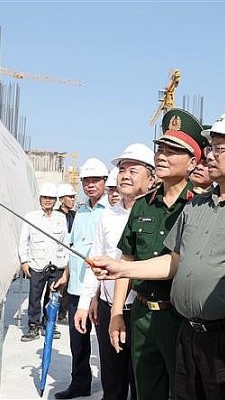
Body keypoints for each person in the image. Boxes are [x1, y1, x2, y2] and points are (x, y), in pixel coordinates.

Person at [93, 108, 225, 399]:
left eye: (219, 148)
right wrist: (122, 268)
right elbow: (174, 261)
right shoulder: (196, 206)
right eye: (209, 148)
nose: (210, 155)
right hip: (188, 337)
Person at [107, 108, 204, 400]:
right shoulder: (141, 206)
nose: (162, 155)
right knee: (146, 390)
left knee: (181, 392)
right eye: (160, 148)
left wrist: (119, 270)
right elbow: (128, 258)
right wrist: (116, 313)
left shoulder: (200, 206)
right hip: (141, 315)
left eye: (173, 150)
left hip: (180, 319)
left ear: (192, 161)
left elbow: (179, 263)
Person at [74, 143, 155, 400]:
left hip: (143, 310)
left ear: (152, 178)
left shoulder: (157, 215)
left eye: (133, 170)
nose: (124, 175)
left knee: (141, 379)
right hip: (110, 308)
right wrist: (87, 301)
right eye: (121, 169)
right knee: (112, 377)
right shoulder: (107, 217)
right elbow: (95, 262)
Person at [52, 158, 110, 399]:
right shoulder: (81, 212)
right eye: (86, 181)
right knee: (78, 342)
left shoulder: (111, 211)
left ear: (105, 182)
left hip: (98, 290)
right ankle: (80, 383)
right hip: (76, 288)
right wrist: (65, 275)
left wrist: (96, 294)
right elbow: (73, 247)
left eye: (95, 180)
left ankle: (113, 388)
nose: (90, 185)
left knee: (106, 346)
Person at [18, 182, 69, 342]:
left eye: (51, 198)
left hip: (57, 264)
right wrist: (24, 261)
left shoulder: (61, 217)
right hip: (37, 265)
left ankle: (49, 324)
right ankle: (33, 326)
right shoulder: (31, 217)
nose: (48, 201)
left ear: (55, 201)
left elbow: (65, 241)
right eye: (45, 198)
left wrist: (66, 264)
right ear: (40, 199)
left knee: (53, 296)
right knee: (35, 297)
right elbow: (23, 241)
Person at [56, 182, 77, 324]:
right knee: (57, 285)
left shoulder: (74, 215)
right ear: (62, 199)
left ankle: (63, 314)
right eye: (70, 197)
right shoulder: (56, 216)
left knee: (68, 285)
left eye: (73, 197)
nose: (73, 199)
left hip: (71, 253)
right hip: (58, 255)